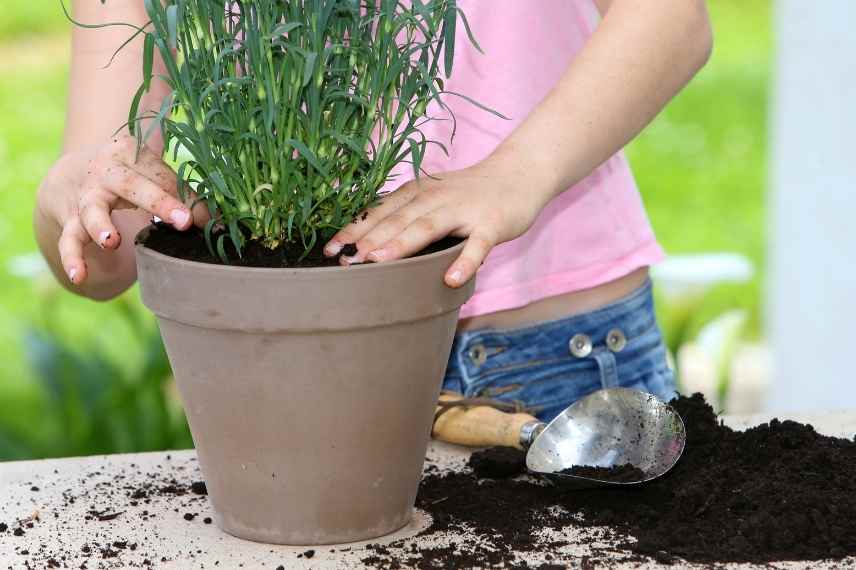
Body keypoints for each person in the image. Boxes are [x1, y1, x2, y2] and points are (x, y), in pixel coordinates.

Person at [36, 0, 712, 421]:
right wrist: (78, 195)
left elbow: (672, 18)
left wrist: (514, 175)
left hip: (549, 360)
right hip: (285, 369)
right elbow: (106, 252)